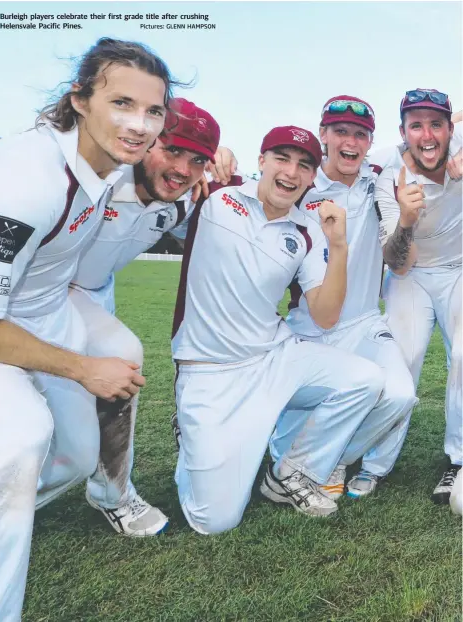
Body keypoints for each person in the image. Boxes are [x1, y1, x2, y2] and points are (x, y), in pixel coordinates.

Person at [0, 37, 174, 622]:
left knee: (78, 456)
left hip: (40, 312)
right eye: (121, 103)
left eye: (154, 111)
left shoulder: (107, 163)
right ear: (80, 100)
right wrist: (82, 368)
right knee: (19, 439)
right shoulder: (27, 182)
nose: (138, 124)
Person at [171, 124, 394, 535]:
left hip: (273, 357)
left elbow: (326, 315)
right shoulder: (217, 196)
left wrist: (340, 246)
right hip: (210, 370)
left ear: (313, 178)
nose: (291, 172)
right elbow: (165, 173)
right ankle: (191, 435)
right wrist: (205, 154)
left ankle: (291, 471)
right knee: (214, 521)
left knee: (366, 379)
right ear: (261, 161)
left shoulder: (306, 231)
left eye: (304, 165)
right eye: (282, 158)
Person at [67, 98, 234, 537]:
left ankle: (112, 494)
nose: (183, 168)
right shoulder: (100, 174)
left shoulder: (179, 201)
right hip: (30, 292)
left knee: (118, 365)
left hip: (89, 296)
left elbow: (234, 212)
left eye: (197, 159)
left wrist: (227, 177)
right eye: (173, 150)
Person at [270, 96, 417, 499]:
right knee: (301, 418)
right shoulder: (300, 184)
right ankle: (293, 457)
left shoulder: (379, 177)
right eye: (340, 132)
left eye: (360, 134)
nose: (349, 142)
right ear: (323, 135)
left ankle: (326, 461)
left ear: (370, 141)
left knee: (401, 394)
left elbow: (421, 140)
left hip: (366, 321)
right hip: (310, 324)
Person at [369, 89, 462, 505]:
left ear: (450, 128)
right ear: (403, 133)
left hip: (460, 269)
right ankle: (375, 463)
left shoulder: (458, 144)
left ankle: (458, 461)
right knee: (403, 359)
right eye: (416, 125)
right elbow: (398, 262)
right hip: (412, 274)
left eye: (437, 124)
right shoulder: (389, 172)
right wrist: (406, 220)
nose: (428, 135)